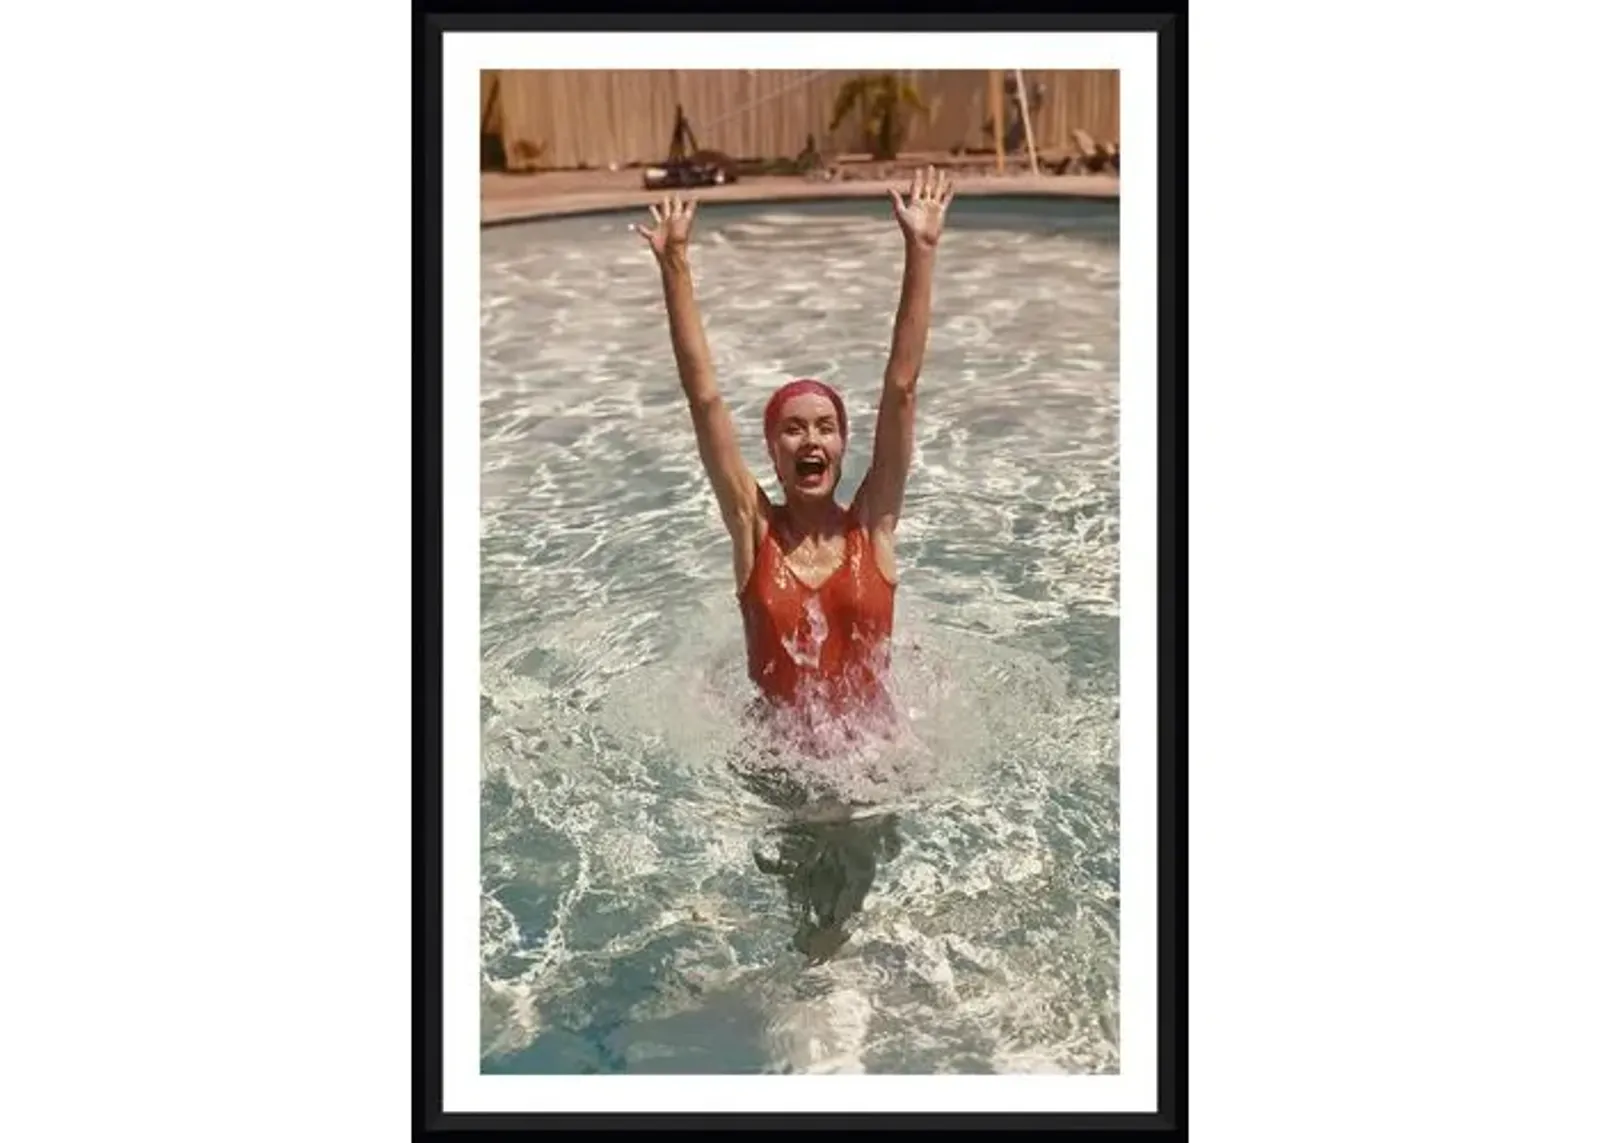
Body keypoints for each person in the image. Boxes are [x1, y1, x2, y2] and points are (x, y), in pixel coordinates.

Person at [634, 167, 955, 759]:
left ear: (841, 446)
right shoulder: (754, 530)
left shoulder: (872, 526)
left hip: (878, 770)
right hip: (776, 777)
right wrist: (674, 265)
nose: (811, 439)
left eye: (825, 427)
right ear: (774, 453)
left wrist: (923, 251)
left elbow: (902, 388)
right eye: (794, 429)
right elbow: (704, 401)